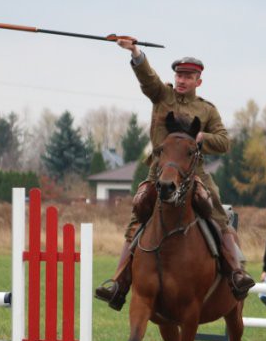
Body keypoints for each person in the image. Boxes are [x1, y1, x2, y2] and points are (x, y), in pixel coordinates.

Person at [94, 39, 255, 311]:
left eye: (188, 76)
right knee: (139, 209)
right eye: (179, 75)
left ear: (198, 81)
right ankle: (119, 281)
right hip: (159, 170)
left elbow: (225, 142)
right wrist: (135, 53)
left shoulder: (207, 110)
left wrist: (203, 137)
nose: (182, 80)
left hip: (195, 174)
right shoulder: (162, 95)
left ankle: (236, 272)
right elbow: (147, 78)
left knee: (214, 207)